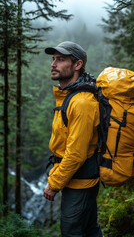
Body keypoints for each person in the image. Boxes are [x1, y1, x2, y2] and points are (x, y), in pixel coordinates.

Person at [43, 41, 103, 237]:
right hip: (74, 178)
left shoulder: (82, 102)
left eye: (60, 60)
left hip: (81, 181)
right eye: (53, 59)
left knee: (71, 231)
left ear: (77, 65)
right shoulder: (70, 96)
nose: (53, 64)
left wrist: (54, 184)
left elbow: (76, 154)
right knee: (89, 229)